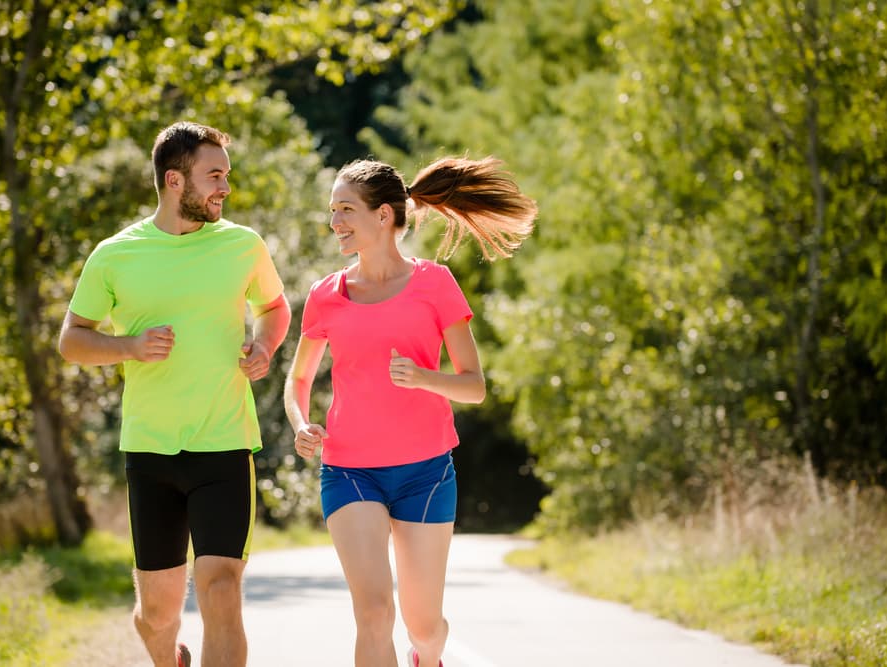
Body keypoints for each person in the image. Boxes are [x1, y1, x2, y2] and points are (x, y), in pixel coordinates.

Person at [284, 156, 537, 667]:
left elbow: (474, 386)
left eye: (346, 209)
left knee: (423, 627)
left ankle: (428, 656)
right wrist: (301, 424)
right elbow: (300, 378)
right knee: (374, 613)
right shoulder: (326, 296)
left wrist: (424, 378)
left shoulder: (435, 284)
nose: (335, 222)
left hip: (425, 473)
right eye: (333, 210)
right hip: (349, 471)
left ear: (383, 216)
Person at [59, 121, 291, 667]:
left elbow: (275, 308)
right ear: (173, 180)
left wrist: (264, 344)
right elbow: (72, 341)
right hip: (151, 451)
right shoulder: (115, 254)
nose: (225, 189)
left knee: (222, 590)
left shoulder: (243, 245)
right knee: (157, 613)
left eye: (226, 177)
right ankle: (169, 660)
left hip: (225, 443)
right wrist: (130, 346)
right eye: (214, 176)